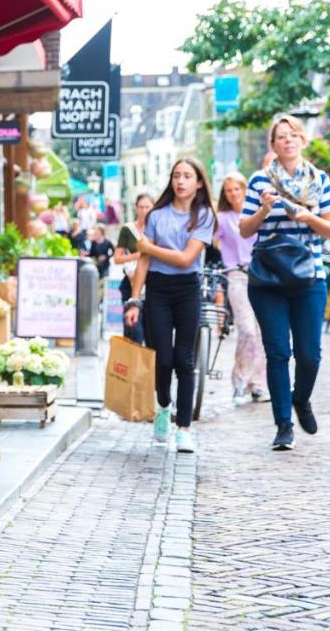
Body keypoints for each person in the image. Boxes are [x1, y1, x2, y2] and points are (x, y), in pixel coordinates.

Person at [239, 115, 330, 451]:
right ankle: (283, 425)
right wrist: (264, 210)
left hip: (308, 276)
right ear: (273, 145)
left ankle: (301, 399)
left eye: (293, 135)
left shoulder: (319, 180)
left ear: (302, 140)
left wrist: (307, 216)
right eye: (281, 137)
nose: (287, 141)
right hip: (267, 279)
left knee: (310, 354)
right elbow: (244, 229)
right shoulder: (258, 182)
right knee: (278, 352)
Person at [124, 158, 217, 453]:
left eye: (188, 176)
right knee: (163, 360)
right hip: (159, 289)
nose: (181, 181)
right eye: (177, 175)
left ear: (199, 182)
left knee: (184, 360)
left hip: (188, 289)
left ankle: (185, 428)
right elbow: (144, 261)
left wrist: (148, 246)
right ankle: (163, 405)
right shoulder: (156, 216)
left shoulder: (203, 216)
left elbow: (186, 259)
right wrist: (135, 299)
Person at [214, 172, 268, 406]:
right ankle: (239, 380)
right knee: (246, 329)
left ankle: (257, 384)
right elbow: (209, 240)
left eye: (237, 189)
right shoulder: (222, 218)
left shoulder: (257, 215)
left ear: (246, 190)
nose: (234, 193)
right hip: (237, 276)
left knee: (261, 332)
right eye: (229, 190)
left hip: (262, 275)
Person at [115, 193, 154, 344]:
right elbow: (117, 258)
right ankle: (131, 364)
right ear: (136, 208)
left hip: (152, 284)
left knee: (151, 330)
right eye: (141, 207)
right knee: (133, 330)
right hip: (130, 282)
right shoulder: (128, 230)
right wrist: (137, 256)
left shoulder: (157, 229)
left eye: (147, 207)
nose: (144, 211)